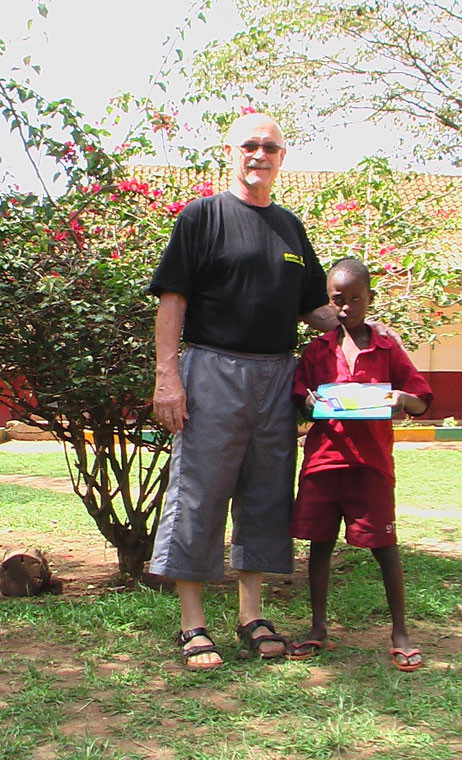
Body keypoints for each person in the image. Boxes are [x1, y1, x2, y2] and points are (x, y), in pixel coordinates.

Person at [148, 113, 340, 671]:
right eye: (249, 145)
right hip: (212, 370)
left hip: (277, 375)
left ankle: (251, 614)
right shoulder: (202, 216)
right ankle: (193, 623)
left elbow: (314, 306)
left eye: (270, 147)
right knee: (200, 491)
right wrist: (169, 377)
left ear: (283, 157)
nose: (260, 155)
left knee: (265, 494)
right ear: (229, 151)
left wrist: (361, 330)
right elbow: (173, 300)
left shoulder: (290, 227)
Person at [288, 257, 433, 671]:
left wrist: (403, 400)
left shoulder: (387, 348)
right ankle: (317, 627)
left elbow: (421, 397)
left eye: (356, 297)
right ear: (328, 303)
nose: (348, 306)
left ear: (370, 298)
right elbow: (300, 396)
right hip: (324, 462)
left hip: (370, 465)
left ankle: (400, 632)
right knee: (320, 547)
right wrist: (310, 402)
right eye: (339, 299)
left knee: (384, 548)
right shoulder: (317, 350)